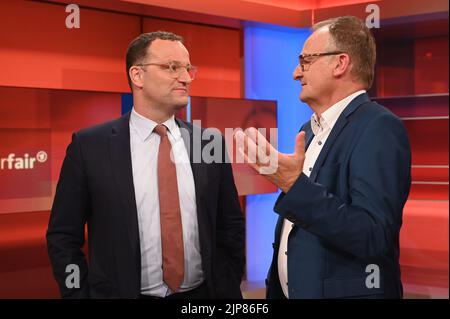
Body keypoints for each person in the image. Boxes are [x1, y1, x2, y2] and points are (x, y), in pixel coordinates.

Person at [47, 31, 245, 299]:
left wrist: (226, 285)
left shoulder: (208, 143)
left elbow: (229, 226)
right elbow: (63, 236)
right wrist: (77, 294)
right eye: (172, 67)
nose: (186, 78)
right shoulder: (89, 146)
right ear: (137, 75)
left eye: (188, 69)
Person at [235, 16, 411, 298]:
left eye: (306, 60)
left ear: (340, 63)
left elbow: (372, 235)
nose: (296, 72)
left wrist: (294, 185)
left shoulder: (378, 127)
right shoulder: (309, 129)